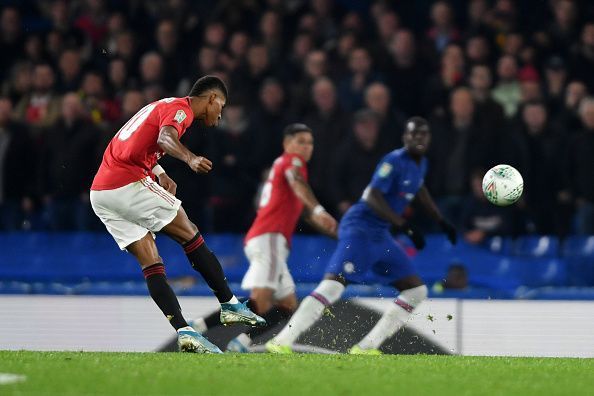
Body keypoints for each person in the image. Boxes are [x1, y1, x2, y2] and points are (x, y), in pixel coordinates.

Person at [89, 75, 265, 354]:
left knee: (151, 260)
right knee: (188, 230)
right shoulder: (181, 110)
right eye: (221, 105)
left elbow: (133, 143)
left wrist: (159, 171)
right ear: (211, 99)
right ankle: (229, 303)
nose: (221, 114)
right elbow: (164, 137)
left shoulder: (160, 106)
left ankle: (184, 331)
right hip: (125, 182)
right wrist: (190, 158)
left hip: (101, 193)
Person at [265, 117, 457, 355]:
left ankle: (366, 348)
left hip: (381, 235)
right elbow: (372, 196)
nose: (418, 138)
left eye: (423, 134)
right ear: (404, 138)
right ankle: (281, 340)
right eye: (413, 134)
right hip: (360, 228)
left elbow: (419, 188)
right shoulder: (394, 161)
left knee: (417, 291)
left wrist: (440, 220)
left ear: (429, 138)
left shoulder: (421, 164)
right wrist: (404, 225)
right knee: (333, 286)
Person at [189, 123, 338, 352]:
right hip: (269, 238)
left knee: (286, 305)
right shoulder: (291, 162)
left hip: (268, 240)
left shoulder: (287, 170)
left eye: (310, 143)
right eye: (301, 141)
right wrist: (320, 210)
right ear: (286, 144)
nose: (306, 147)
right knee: (261, 301)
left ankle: (240, 342)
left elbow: (305, 211)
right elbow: (300, 187)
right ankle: (198, 328)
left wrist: (334, 232)